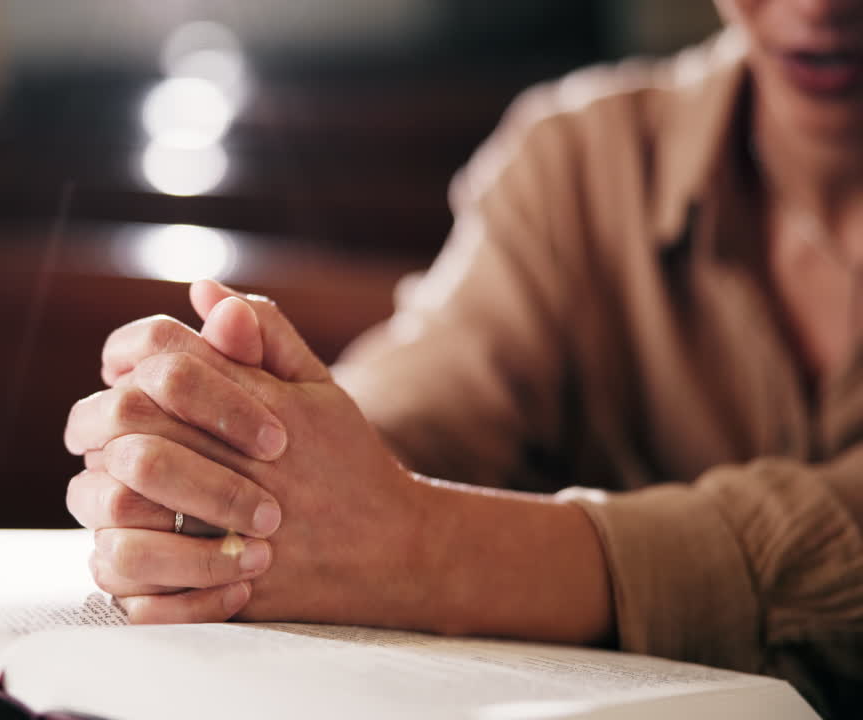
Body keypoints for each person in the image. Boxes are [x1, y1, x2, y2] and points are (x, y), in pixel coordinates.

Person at [63, 1, 863, 716]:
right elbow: (425, 395)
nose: (819, 6)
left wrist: (422, 547)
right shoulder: (580, 160)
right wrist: (253, 454)